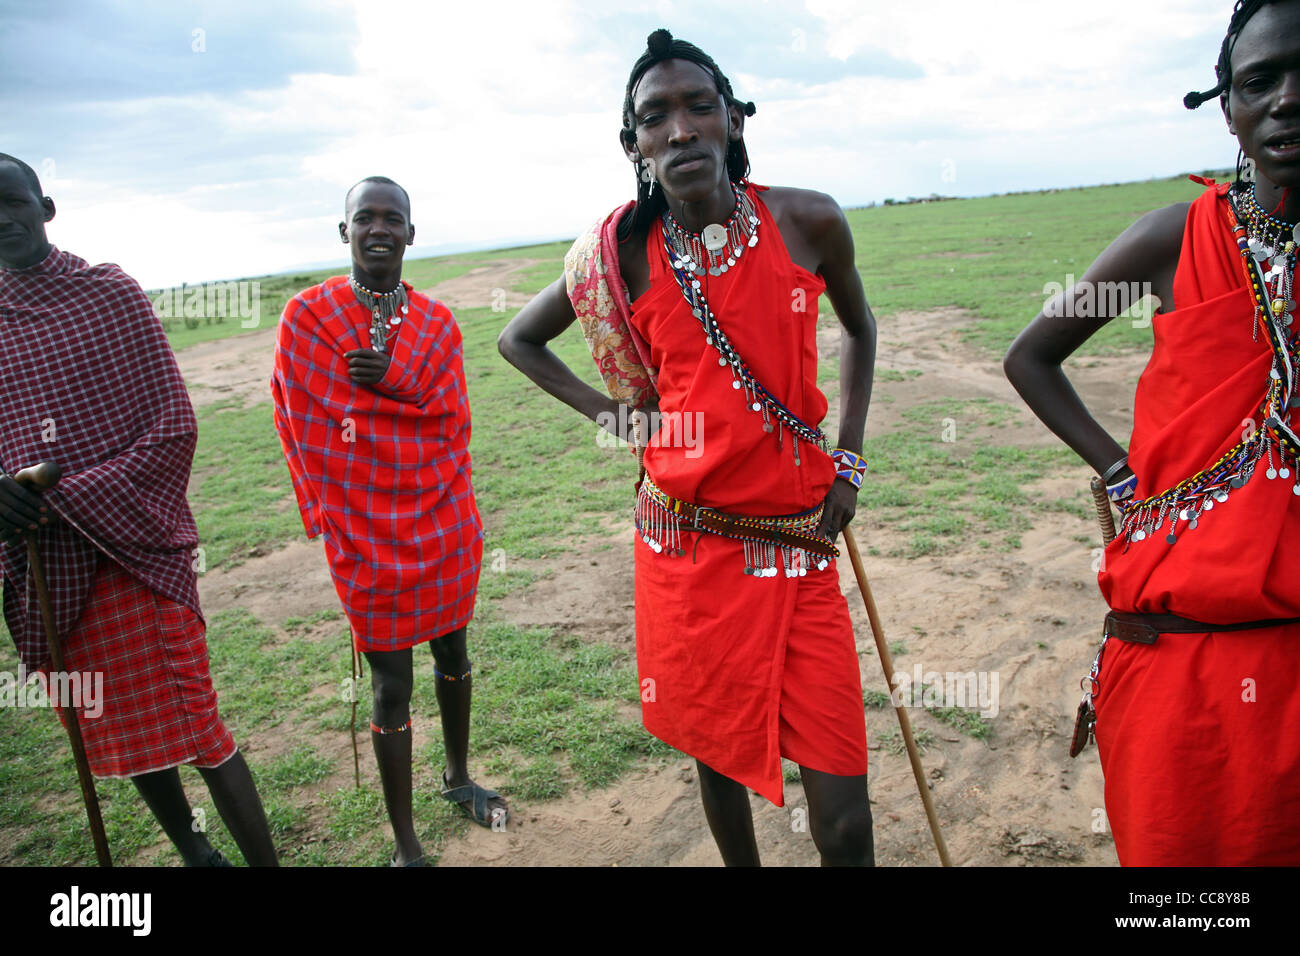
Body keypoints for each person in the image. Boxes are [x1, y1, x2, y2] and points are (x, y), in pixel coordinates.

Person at [499, 30, 878, 866]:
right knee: (717, 754)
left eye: (699, 106)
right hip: (687, 550)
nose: (680, 129)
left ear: (734, 121)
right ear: (632, 144)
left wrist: (847, 458)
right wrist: (617, 418)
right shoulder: (620, 254)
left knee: (844, 815)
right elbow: (519, 340)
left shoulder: (807, 221)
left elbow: (860, 326)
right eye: (654, 117)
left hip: (797, 543)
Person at [1004, 0, 1300, 866]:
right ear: (1226, 106)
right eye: (1260, 82)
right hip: (1182, 663)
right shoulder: (1175, 238)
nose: (1288, 100)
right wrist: (1124, 474)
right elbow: (1033, 357)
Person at [0, 152, 278, 867]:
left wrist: (65, 494)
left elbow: (172, 426)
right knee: (115, 725)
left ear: (47, 207)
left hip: (134, 553)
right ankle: (194, 850)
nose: (2, 220)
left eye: (13, 203)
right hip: (49, 569)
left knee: (197, 727)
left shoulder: (109, 295)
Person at [272, 176, 506, 867]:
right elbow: (296, 421)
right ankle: (407, 847)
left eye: (392, 218)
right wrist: (325, 515)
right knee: (390, 684)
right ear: (343, 232)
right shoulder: (308, 317)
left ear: (411, 232)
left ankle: (459, 778)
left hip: (441, 518)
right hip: (365, 532)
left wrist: (397, 382)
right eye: (364, 218)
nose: (379, 228)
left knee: (454, 655)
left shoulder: (437, 323)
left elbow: (455, 420)